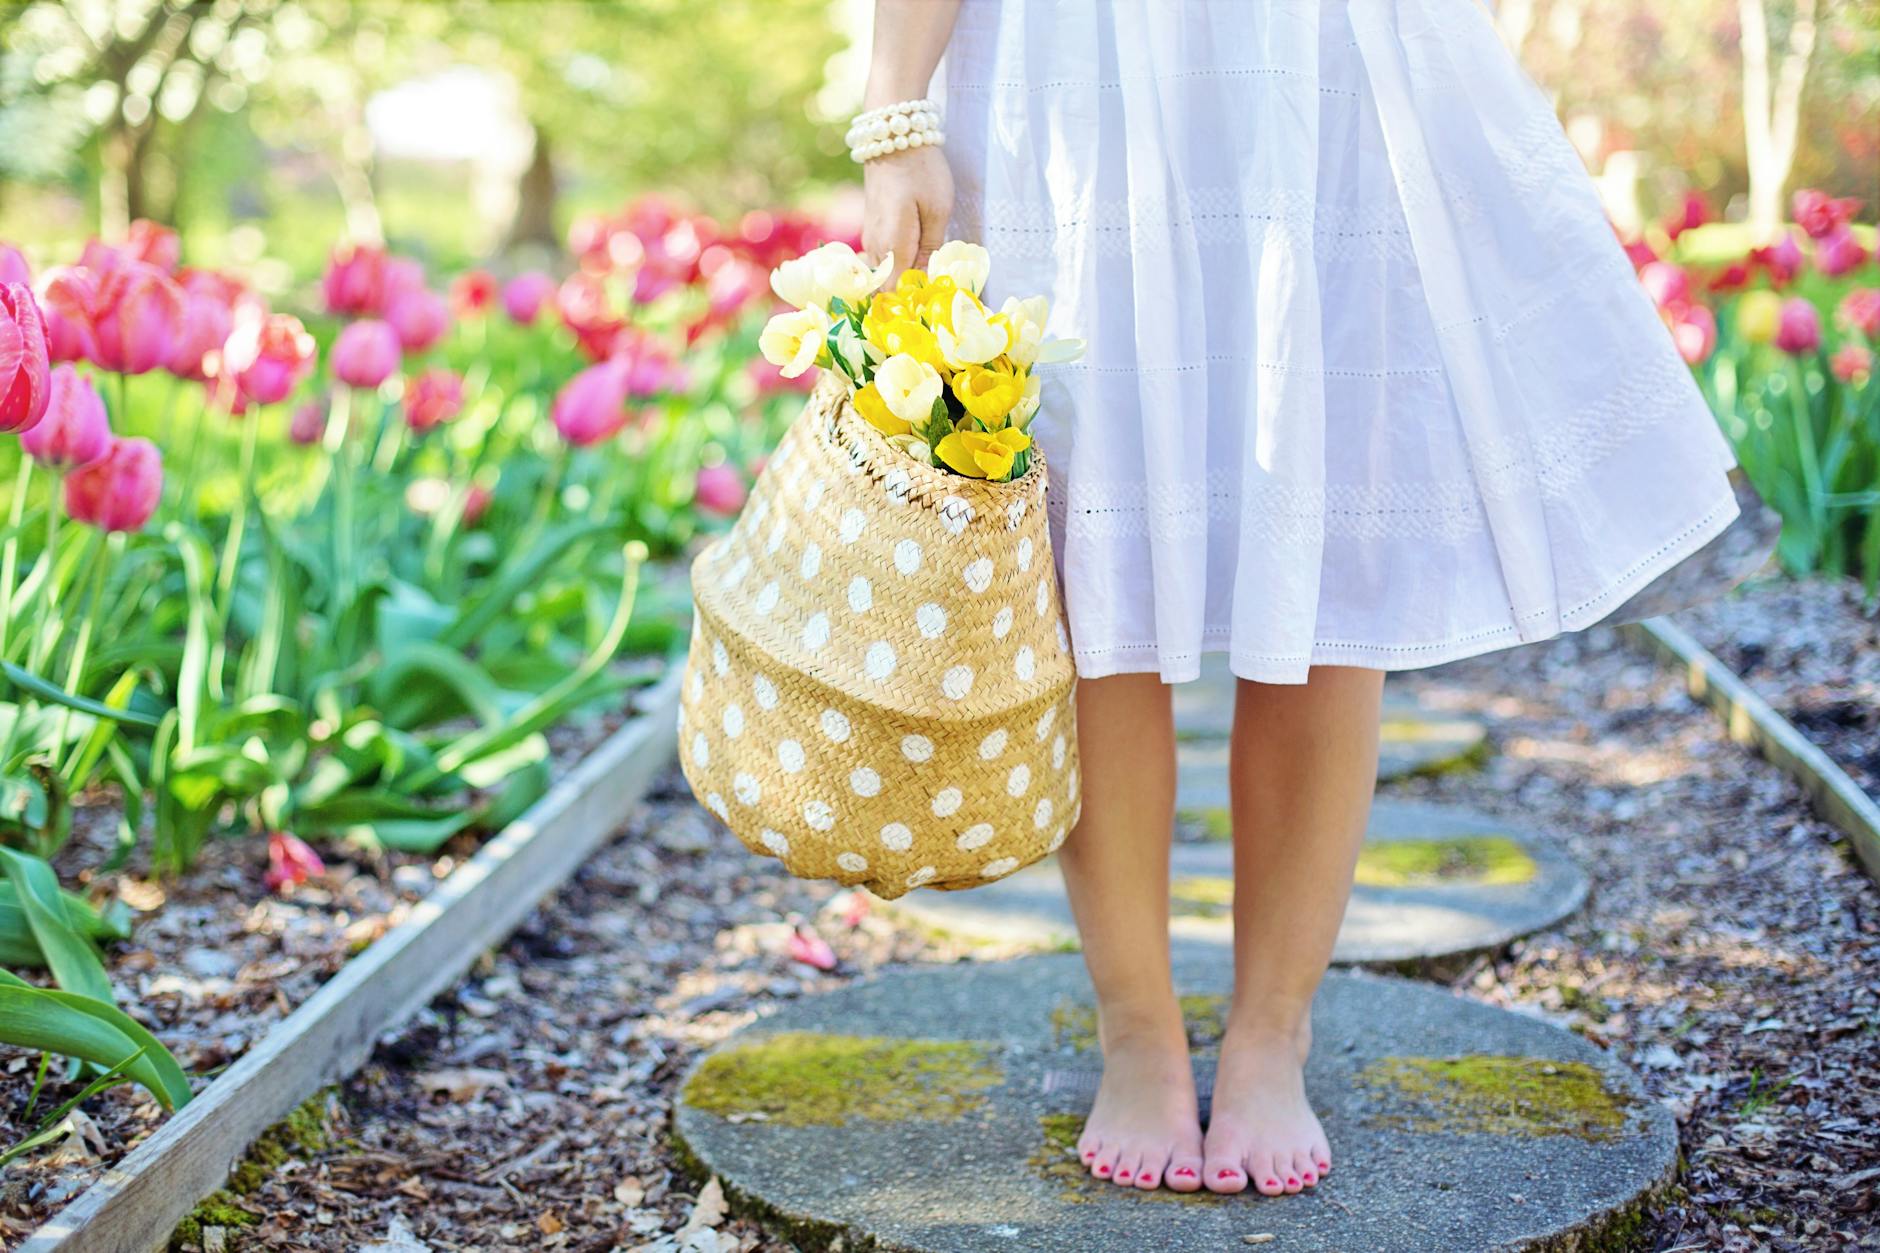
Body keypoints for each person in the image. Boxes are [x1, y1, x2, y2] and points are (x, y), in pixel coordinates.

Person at [854, 0, 1740, 1197]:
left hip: (1311, 55)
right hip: (1068, 62)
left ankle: (1273, 1029)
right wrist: (893, 107)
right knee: (1082, 539)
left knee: (1321, 525)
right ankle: (1136, 1028)